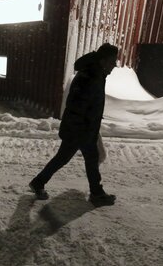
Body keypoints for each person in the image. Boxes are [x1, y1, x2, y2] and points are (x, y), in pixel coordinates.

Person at [29, 43, 118, 207]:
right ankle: (96, 194)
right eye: (113, 61)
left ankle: (38, 182)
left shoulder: (96, 73)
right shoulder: (89, 76)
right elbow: (76, 106)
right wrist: (83, 130)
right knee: (89, 158)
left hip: (82, 128)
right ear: (104, 60)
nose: (114, 66)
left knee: (65, 158)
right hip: (79, 129)